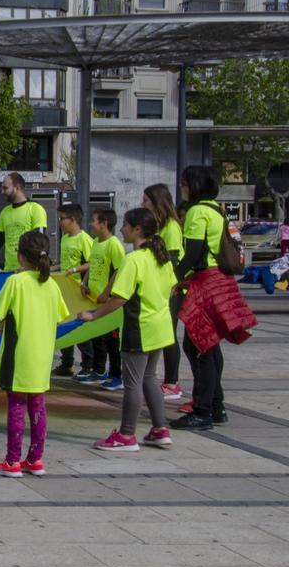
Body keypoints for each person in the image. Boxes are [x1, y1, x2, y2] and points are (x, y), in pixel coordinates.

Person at [79, 208, 176, 452]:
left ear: (137, 230)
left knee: (132, 382)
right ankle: (160, 429)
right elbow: (173, 289)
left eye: (125, 225)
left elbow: (119, 298)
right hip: (161, 327)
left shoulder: (134, 259)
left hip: (140, 327)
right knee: (150, 378)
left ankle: (126, 435)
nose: (121, 229)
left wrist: (93, 315)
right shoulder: (161, 257)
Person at [170, 166, 256, 430]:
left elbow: (193, 254)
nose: (181, 187)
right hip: (220, 280)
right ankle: (216, 406)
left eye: (184, 183)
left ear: (193, 185)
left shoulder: (196, 211)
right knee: (208, 346)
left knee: (200, 346)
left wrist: (173, 277)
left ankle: (203, 411)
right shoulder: (216, 209)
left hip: (205, 281)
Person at [0, 230, 68, 477]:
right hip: (42, 356)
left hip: (18, 356)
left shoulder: (15, 281)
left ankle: (12, 461)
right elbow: (60, 316)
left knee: (16, 406)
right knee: (38, 407)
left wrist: (1, 325)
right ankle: (35, 459)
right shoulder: (52, 284)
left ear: (20, 256)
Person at [74, 208, 125, 390]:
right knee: (97, 337)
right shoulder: (96, 242)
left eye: (94, 220)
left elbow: (119, 270)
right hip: (93, 299)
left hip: (107, 302)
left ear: (104, 224)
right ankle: (98, 370)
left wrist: (107, 291)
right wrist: (84, 283)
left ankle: (116, 375)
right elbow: (91, 265)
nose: (91, 224)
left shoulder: (114, 244)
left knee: (112, 340)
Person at [143, 184, 186, 401]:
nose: (143, 204)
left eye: (147, 200)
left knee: (169, 333)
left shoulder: (171, 227)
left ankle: (172, 382)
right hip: (161, 287)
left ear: (157, 201)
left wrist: (170, 287)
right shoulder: (159, 226)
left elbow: (174, 261)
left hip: (172, 289)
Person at [54, 203, 95, 377]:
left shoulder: (84, 239)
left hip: (79, 291)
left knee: (80, 328)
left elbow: (92, 262)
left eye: (62, 219)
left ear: (73, 219)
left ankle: (88, 365)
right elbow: (65, 265)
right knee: (64, 324)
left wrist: (77, 271)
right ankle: (67, 363)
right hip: (65, 291)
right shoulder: (64, 238)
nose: (60, 222)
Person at [0, 173, 48, 273]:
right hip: (9, 271)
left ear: (17, 188)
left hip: (29, 271)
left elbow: (40, 241)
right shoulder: (5, 212)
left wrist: (30, 266)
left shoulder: (35, 208)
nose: (2, 192)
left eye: (5, 188)